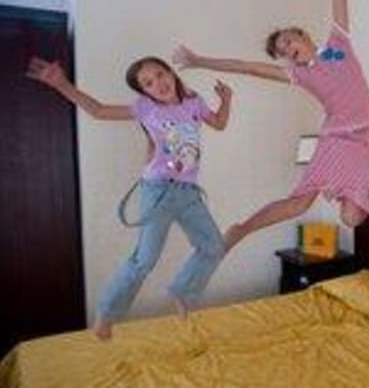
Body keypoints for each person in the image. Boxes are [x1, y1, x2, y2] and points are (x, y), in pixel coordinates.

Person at [173, 0, 369, 251]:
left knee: (350, 219)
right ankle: (241, 230)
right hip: (336, 137)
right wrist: (199, 61)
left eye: (287, 41)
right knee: (298, 205)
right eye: (282, 52)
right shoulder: (300, 75)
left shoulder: (339, 44)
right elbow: (248, 67)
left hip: (366, 137)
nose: (286, 50)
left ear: (303, 35)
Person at [27, 56, 232, 340]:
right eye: (148, 83)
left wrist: (226, 100)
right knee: (144, 260)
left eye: (160, 74)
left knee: (213, 247)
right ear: (144, 92)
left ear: (171, 72)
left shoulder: (193, 101)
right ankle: (107, 313)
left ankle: (183, 292)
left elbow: (219, 123)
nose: (158, 83)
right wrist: (62, 84)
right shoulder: (145, 108)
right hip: (158, 190)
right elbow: (98, 110)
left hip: (188, 192)